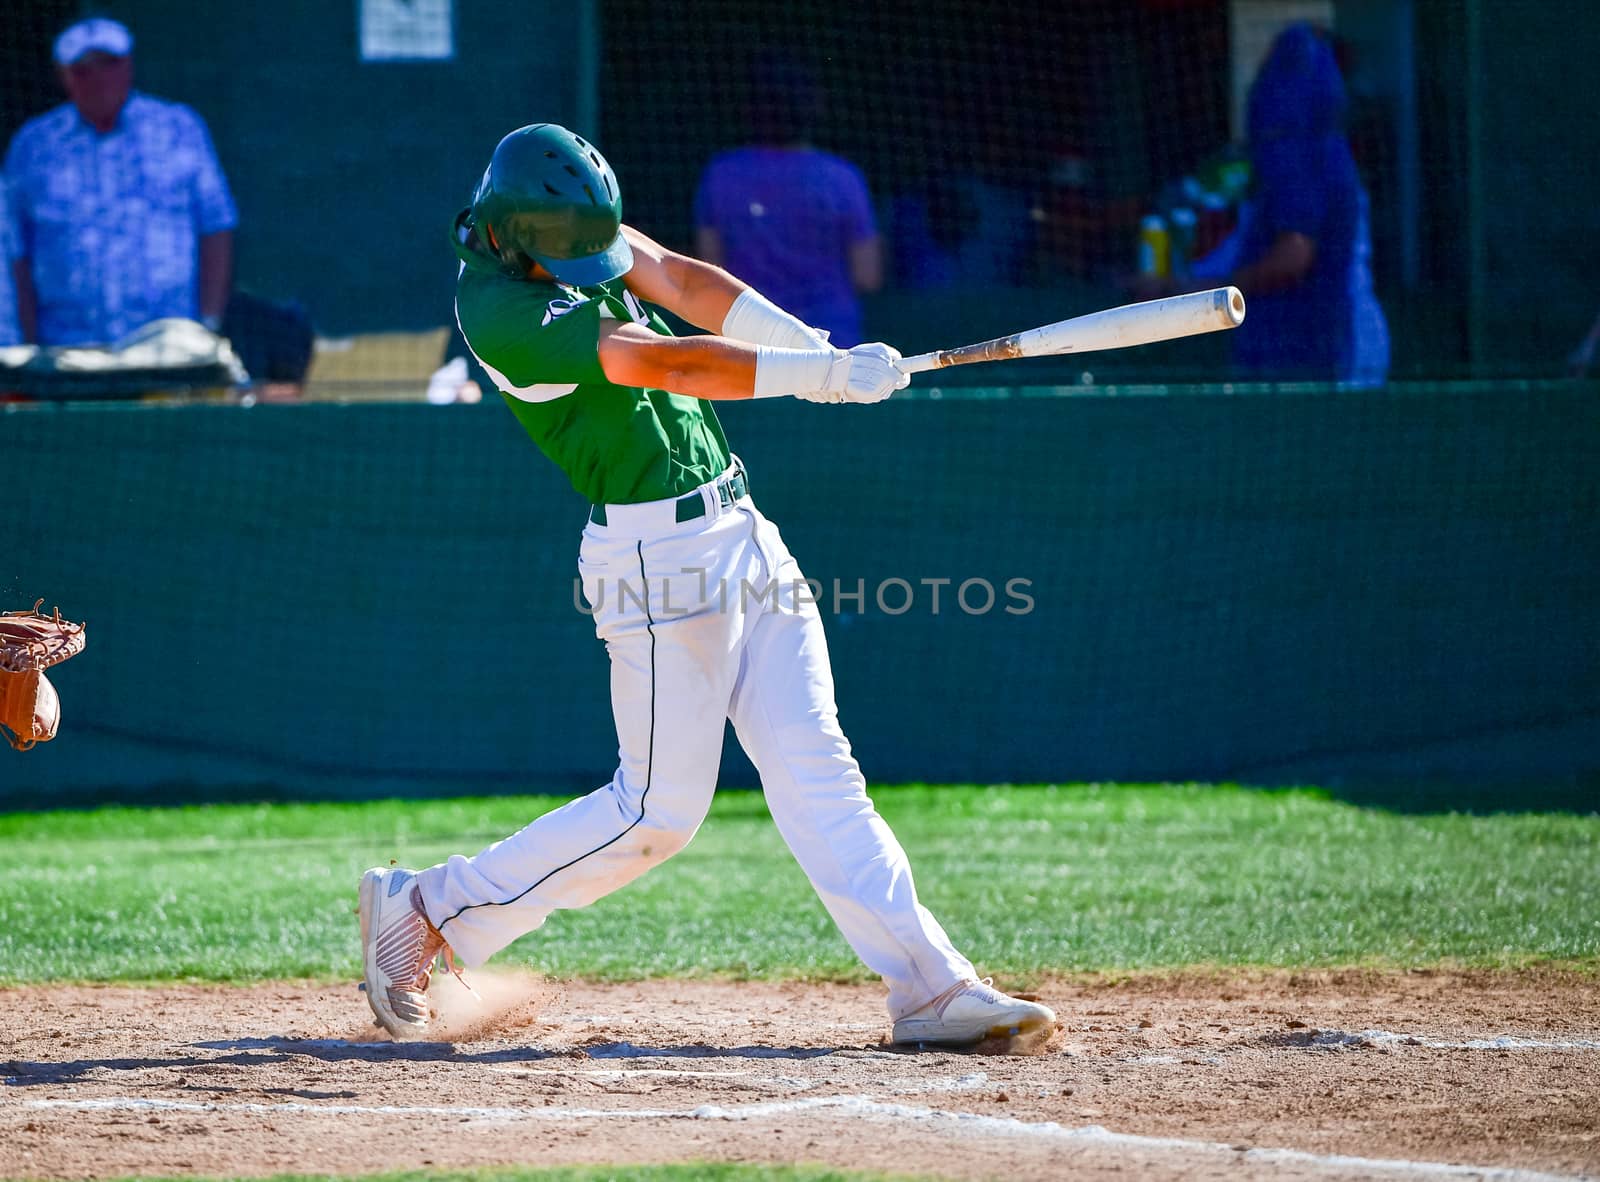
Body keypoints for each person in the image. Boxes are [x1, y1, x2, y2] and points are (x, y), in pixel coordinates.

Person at [358, 123, 1054, 1051]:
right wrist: (817, 378)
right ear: (515, 236)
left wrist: (811, 351)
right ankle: (425, 907)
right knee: (656, 815)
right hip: (653, 564)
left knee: (819, 772)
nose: (600, 261)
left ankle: (931, 988)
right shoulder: (498, 310)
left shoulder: (567, 231)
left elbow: (684, 283)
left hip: (742, 532)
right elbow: (666, 359)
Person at [1170, 23, 1389, 386]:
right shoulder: (1294, 154)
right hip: (1304, 339)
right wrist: (1184, 287)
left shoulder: (1301, 152)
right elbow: (1251, 245)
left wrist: (1210, 294)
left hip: (1329, 339)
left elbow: (1293, 257)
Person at [4, 17, 237, 347]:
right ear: (63, 77)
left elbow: (216, 226)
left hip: (168, 344)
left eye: (109, 64)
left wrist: (208, 325)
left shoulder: (179, 128)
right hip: (68, 347)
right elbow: (17, 252)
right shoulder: (34, 145)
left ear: (128, 66)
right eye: (83, 69)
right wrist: (29, 347)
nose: (98, 79)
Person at [692, 58, 881, 347]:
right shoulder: (843, 178)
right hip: (832, 348)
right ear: (813, 108)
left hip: (748, 344)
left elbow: (709, 268)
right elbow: (868, 276)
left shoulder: (721, 174)